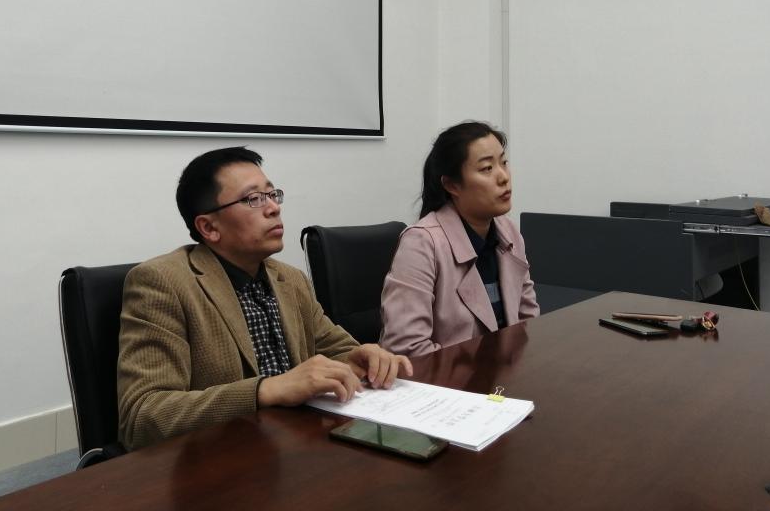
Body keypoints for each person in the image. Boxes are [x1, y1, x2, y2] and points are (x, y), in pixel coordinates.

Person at [117, 146, 412, 451]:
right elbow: (142, 416)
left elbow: (335, 348)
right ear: (209, 227)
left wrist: (359, 358)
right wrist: (266, 389)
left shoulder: (290, 279)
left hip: (298, 445)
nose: (273, 208)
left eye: (272, 195)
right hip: (222, 458)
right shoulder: (163, 283)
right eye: (253, 199)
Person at [379, 121, 539, 357]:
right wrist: (485, 372)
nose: (504, 177)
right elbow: (407, 349)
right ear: (452, 185)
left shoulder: (509, 232)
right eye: (487, 168)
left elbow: (529, 321)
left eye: (504, 162)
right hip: (448, 380)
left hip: (508, 375)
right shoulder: (422, 243)